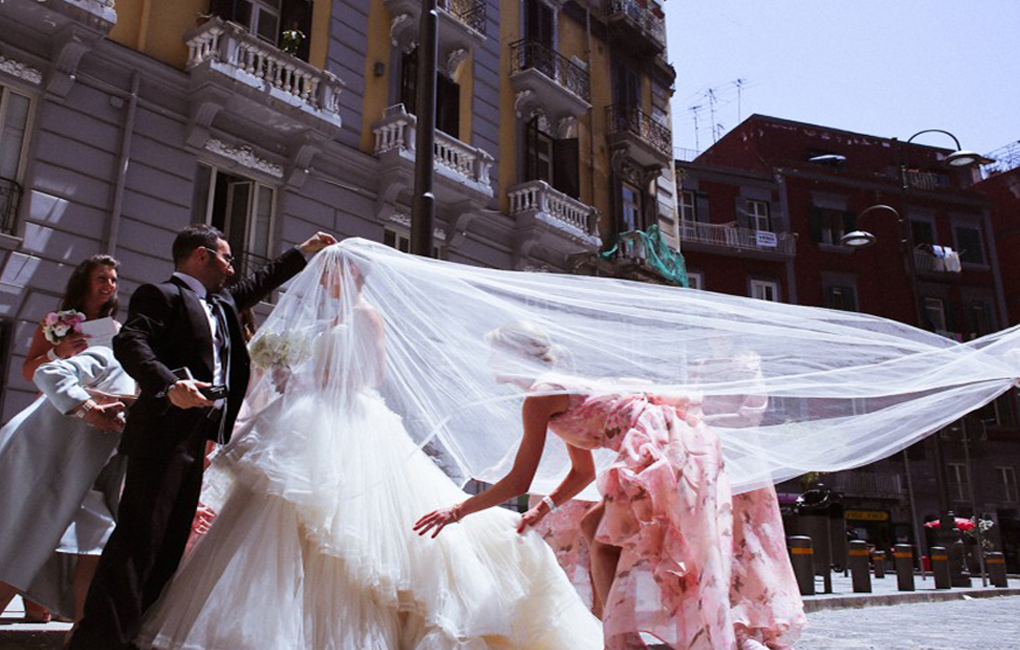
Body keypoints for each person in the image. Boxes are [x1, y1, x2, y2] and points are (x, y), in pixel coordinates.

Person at [134, 244, 603, 650]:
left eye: (335, 273)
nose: (326, 282)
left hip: (349, 422)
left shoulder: (364, 314)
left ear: (354, 275)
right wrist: (289, 375)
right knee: (282, 519)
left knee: (348, 529)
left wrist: (309, 375)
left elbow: (370, 374)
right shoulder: (329, 319)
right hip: (309, 417)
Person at [68, 225, 336, 650]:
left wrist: (305, 250)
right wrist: (168, 385)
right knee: (140, 538)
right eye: (226, 258)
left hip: (199, 436)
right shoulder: (161, 296)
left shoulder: (224, 302)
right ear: (200, 256)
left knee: (172, 542)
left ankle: (134, 633)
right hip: (160, 432)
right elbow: (130, 341)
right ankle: (98, 641)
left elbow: (260, 281)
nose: (232, 268)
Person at [415, 322, 746, 650]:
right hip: (667, 441)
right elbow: (582, 471)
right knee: (596, 528)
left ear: (515, 354)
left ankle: (620, 640)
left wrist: (458, 510)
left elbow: (520, 480)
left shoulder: (542, 395)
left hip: (662, 446)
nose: (489, 362)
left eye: (494, 354)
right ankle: (616, 630)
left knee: (605, 540)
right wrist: (544, 508)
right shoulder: (554, 390)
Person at [0, 255, 130, 626]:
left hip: (92, 436)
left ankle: (71, 618)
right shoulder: (57, 323)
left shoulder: (117, 332)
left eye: (113, 279)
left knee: (75, 518)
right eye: (102, 278)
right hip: (54, 419)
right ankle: (35, 600)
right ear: (84, 283)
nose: (109, 285)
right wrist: (60, 352)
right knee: (34, 507)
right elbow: (30, 370)